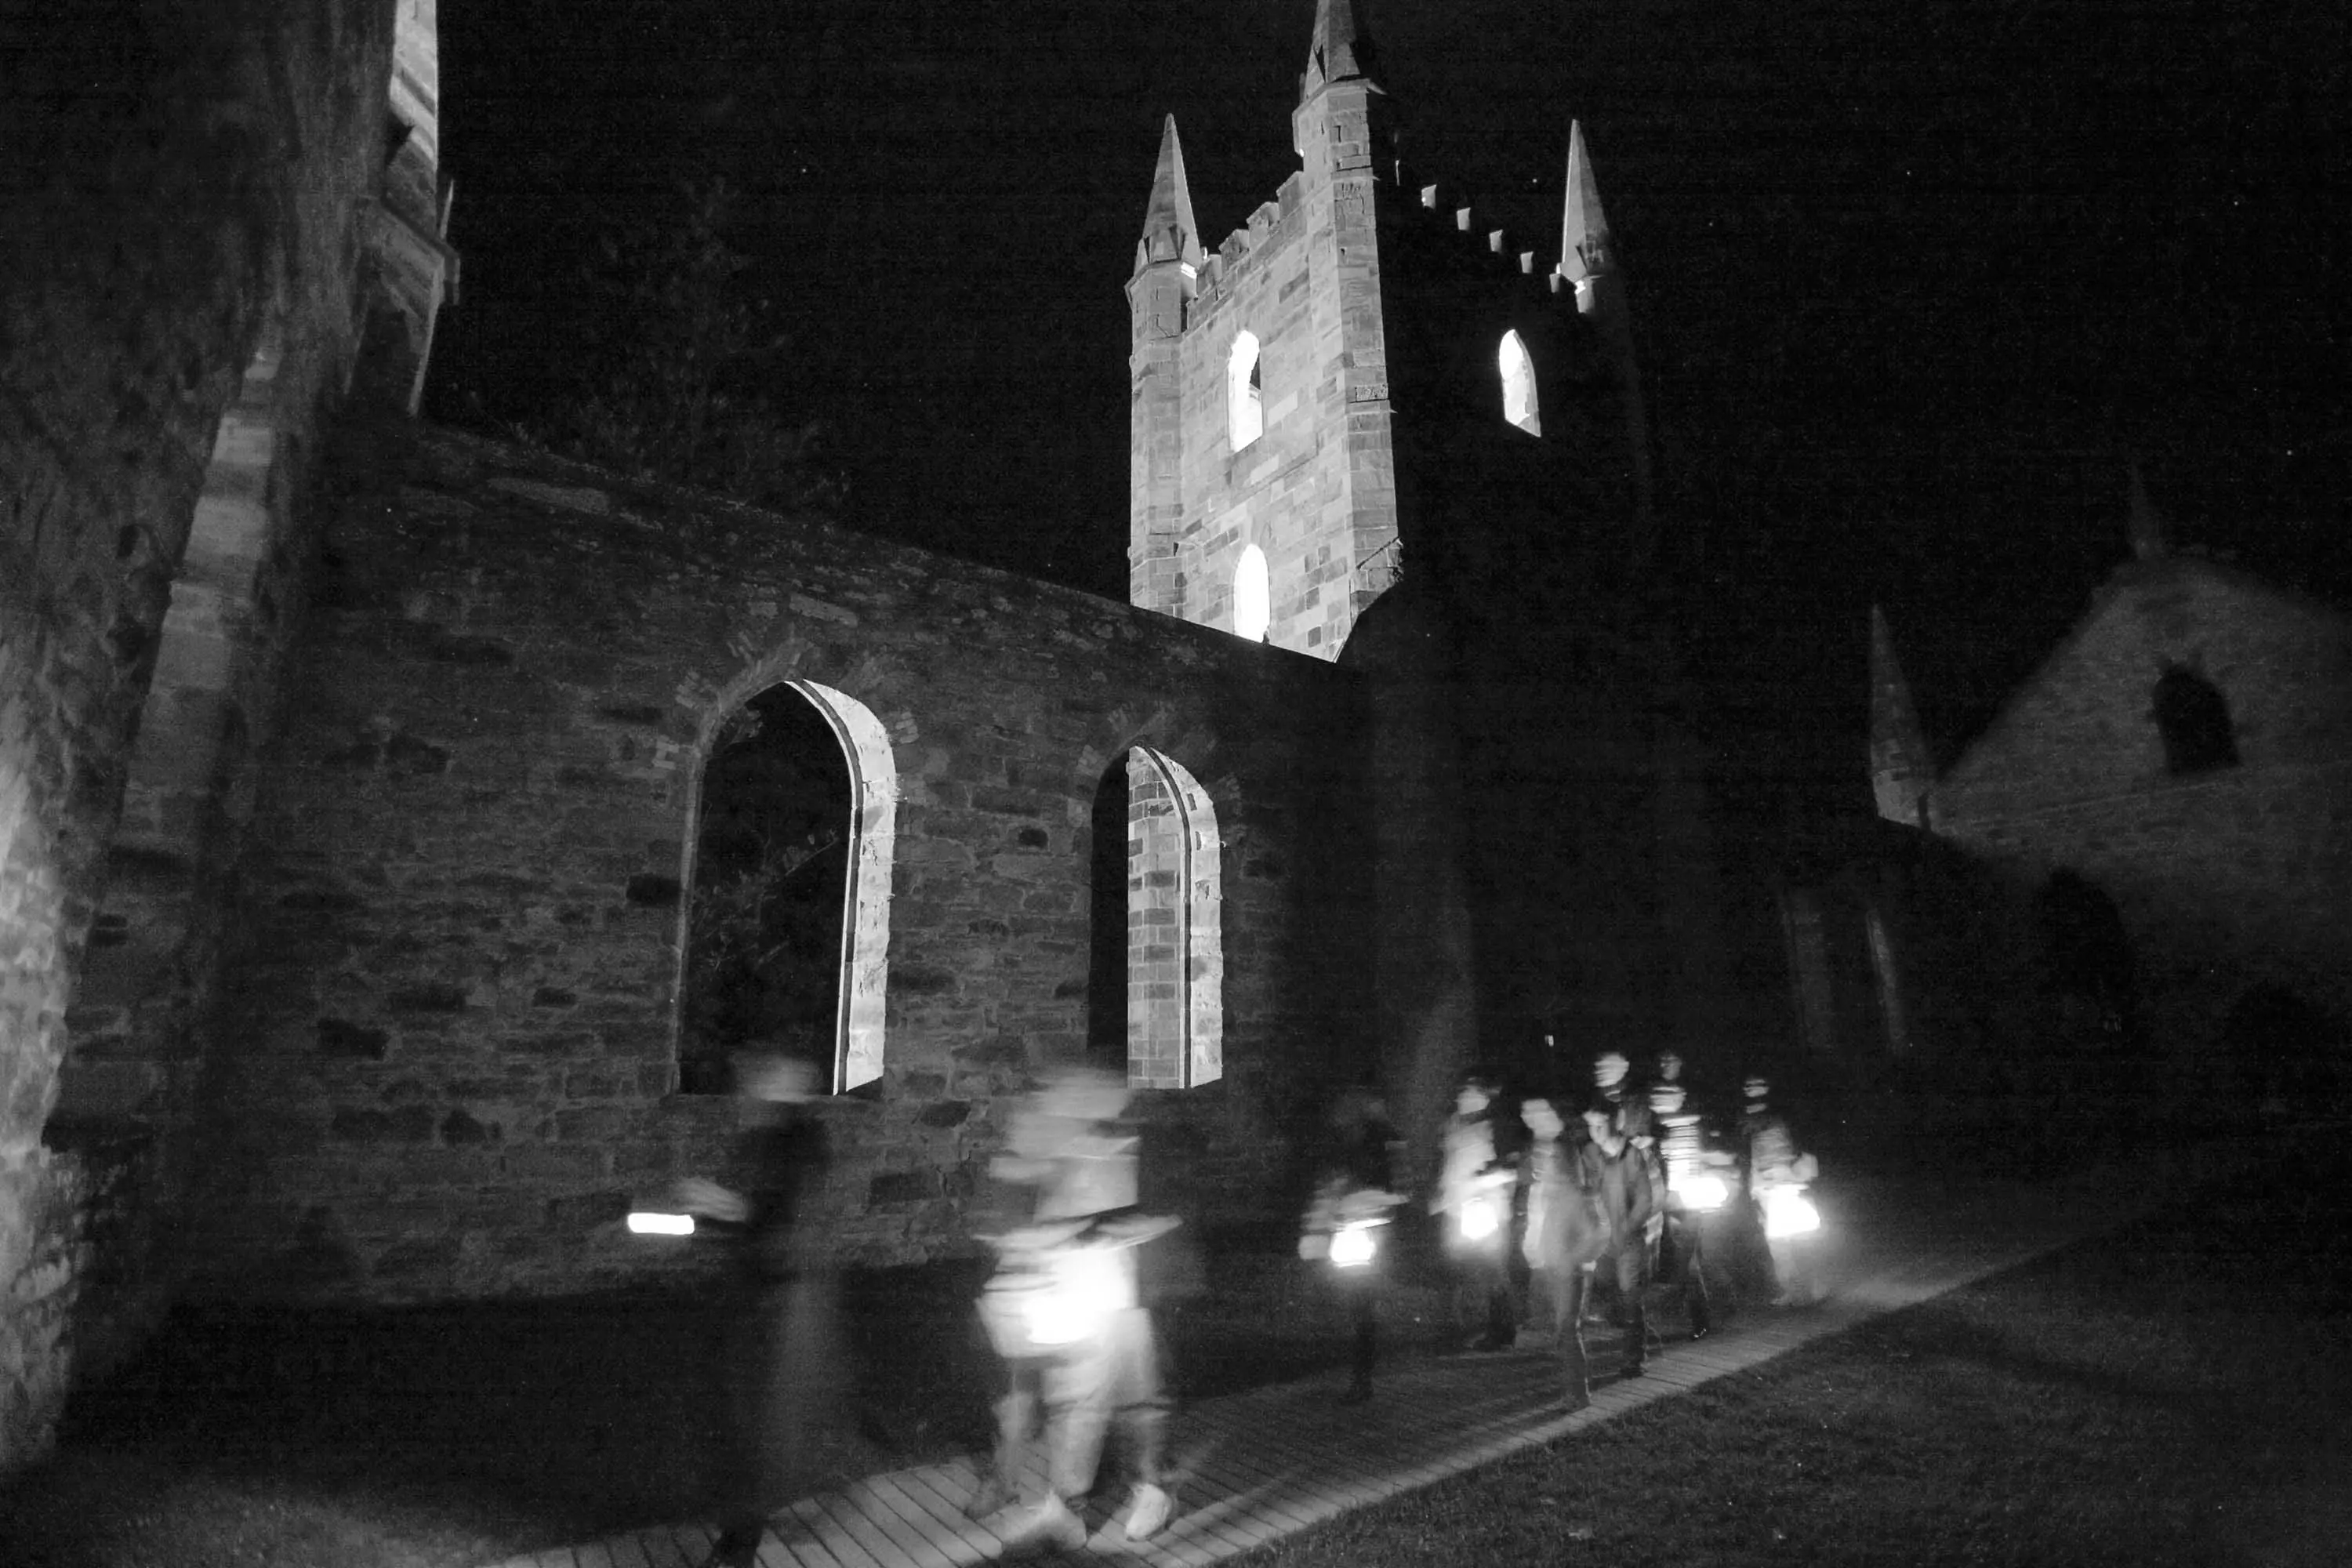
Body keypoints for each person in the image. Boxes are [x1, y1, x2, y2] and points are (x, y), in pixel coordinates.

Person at [972, 1066, 1176, 1554]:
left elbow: (1162, 1209)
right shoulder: (1064, 1143)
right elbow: (1019, 1196)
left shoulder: (1140, 1142)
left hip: (1128, 1297)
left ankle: (1153, 1491)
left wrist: (1079, 1233)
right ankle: (1066, 1511)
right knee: (1076, 1405)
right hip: (1076, 1295)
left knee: (1138, 1403)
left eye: (1083, 1094)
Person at [670, 1054, 842, 1568]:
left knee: (757, 1417)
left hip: (782, 1299)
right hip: (750, 1292)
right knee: (737, 1412)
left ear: (791, 1087)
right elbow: (752, 1210)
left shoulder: (803, 1139)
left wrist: (729, 1206)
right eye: (751, 1082)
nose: (749, 1091)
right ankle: (745, 1525)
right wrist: (711, 1211)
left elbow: (785, 1211)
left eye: (765, 1080)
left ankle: (741, 1540)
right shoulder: (762, 1137)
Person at [1298, 1083, 1404, 1403]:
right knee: (1352, 1306)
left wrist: (1361, 1207)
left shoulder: (1381, 1143)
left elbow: (1395, 1192)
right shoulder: (1340, 1146)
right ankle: (1356, 1374)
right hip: (1346, 1235)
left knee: (1361, 1307)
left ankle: (1362, 1379)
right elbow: (1327, 1187)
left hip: (1364, 1238)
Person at [1519, 1094, 1613, 1409]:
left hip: (1571, 1270)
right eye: (1547, 1163)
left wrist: (1576, 1259)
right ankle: (1566, 1386)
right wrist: (1535, 1248)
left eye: (1555, 1162)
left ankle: (1578, 1393)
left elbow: (1599, 1232)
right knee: (1560, 1328)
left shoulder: (1581, 1196)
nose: (1549, 1167)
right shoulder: (1549, 1194)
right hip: (1551, 1264)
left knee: (1568, 1328)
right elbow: (1540, 1223)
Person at [1432, 1070, 1520, 1352]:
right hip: (1456, 1210)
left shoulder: (1497, 1127)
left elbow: (1513, 1169)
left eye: (1471, 1093)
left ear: (1485, 1097)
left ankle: (1502, 1331)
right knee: (1461, 1272)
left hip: (1488, 1212)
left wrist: (1481, 1182)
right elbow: (1446, 1162)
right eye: (1462, 1092)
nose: (1464, 1098)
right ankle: (1461, 1327)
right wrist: (1441, 1194)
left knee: (1493, 1271)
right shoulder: (1451, 1125)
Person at [1578, 1098, 1659, 1379]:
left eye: (1600, 1125)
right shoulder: (1591, 1154)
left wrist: (1626, 1230)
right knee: (1606, 1290)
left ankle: (1633, 1358)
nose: (1595, 1132)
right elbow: (1586, 1192)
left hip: (1628, 1241)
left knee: (1630, 1297)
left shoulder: (1633, 1156)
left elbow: (1645, 1200)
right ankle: (1630, 1339)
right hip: (1603, 1241)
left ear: (1616, 1122)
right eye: (1590, 1126)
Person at [1649, 1077, 1730, 1338]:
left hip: (1691, 1202)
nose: (1657, 1100)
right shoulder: (1663, 1128)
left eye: (1664, 1095)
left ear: (1679, 1097)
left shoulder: (1690, 1126)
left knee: (1687, 1262)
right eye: (1655, 1095)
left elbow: (1716, 1154)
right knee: (1687, 1261)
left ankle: (1701, 1318)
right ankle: (1707, 1314)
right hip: (1673, 1201)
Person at [1740, 1073, 1824, 1307]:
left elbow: (1799, 1144)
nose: (1752, 1089)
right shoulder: (1747, 1120)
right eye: (1748, 1086)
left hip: (1790, 1184)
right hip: (1766, 1187)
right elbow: (1750, 1153)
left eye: (1758, 1084)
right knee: (1778, 1242)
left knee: (1800, 1239)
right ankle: (1793, 1290)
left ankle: (1809, 1289)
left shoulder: (1778, 1115)